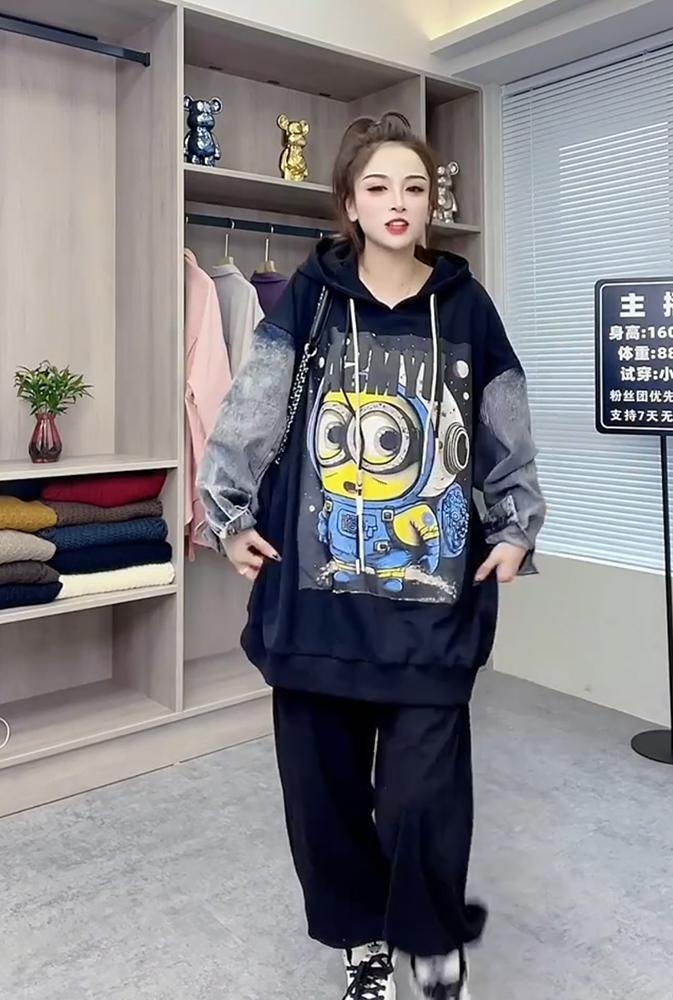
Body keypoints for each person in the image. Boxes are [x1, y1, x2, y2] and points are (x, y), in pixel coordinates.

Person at [197, 112, 545, 1000]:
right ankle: (363, 943)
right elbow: (249, 412)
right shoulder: (309, 301)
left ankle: (430, 936)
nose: (398, 202)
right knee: (324, 796)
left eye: (415, 188)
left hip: (433, 602)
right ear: (349, 203)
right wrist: (227, 517)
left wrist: (516, 528)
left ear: (432, 206)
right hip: (314, 605)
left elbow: (506, 425)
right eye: (379, 186)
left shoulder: (467, 307)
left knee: (424, 795)